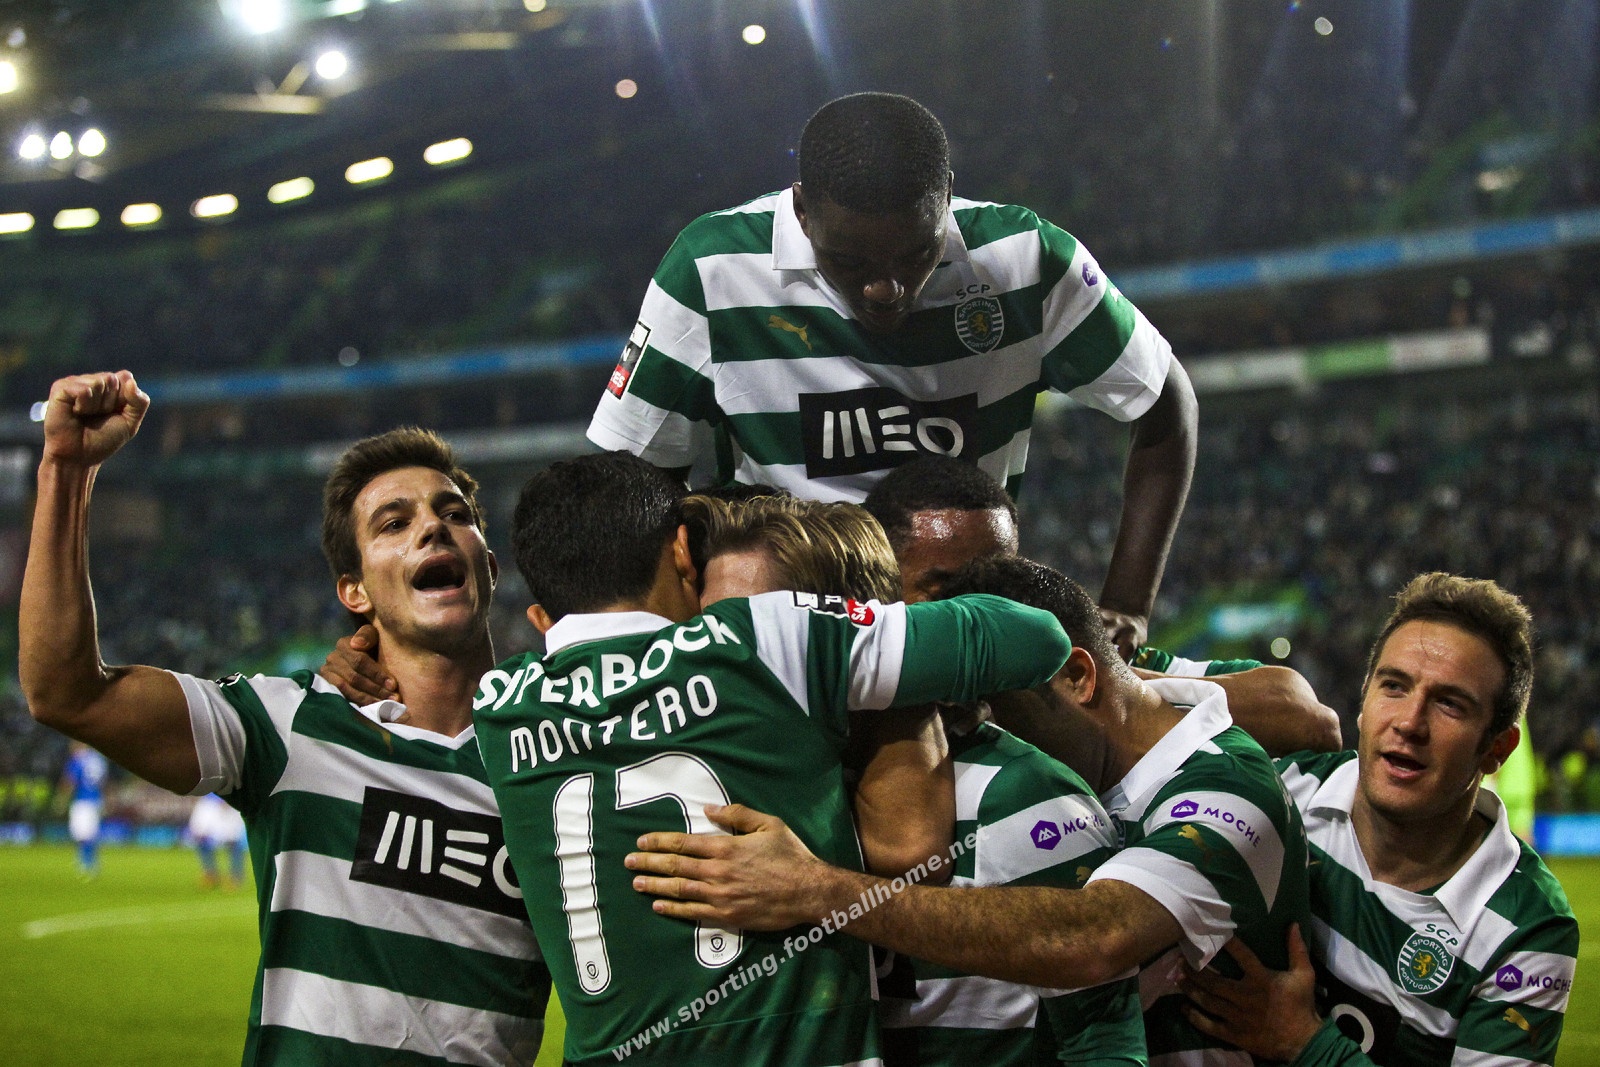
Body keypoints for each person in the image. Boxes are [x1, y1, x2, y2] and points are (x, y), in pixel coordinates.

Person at [471, 452, 1075, 1065]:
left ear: (540, 614)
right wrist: (885, 649)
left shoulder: (498, 704)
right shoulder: (757, 637)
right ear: (682, 552)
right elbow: (1037, 638)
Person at [20, 371, 550, 1066]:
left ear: (489, 563)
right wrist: (66, 470)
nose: (431, 525)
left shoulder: (557, 757)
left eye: (453, 513)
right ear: (354, 591)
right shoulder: (286, 724)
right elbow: (66, 692)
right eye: (394, 523)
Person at [628, 555, 1310, 1066]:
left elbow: (1095, 937)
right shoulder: (1112, 720)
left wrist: (815, 890)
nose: (974, 724)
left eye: (992, 702)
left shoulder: (1225, 793)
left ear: (1077, 677)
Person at [587, 91, 1198, 658]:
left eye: (916, 254)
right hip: (786, 639)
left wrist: (1127, 605)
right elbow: (633, 481)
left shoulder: (1026, 260)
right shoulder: (712, 268)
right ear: (801, 210)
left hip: (964, 630)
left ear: (947, 197)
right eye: (849, 262)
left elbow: (1166, 403)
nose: (886, 288)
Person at [1177, 573, 1579, 1067]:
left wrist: (1304, 1043)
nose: (1409, 722)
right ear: (1363, 702)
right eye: (1394, 687)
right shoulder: (1280, 790)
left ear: (1498, 748)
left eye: (1449, 704)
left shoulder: (1526, 924)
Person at [863, 455, 1342, 781]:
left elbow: (1309, 721)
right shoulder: (847, 696)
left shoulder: (1064, 656)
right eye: (946, 589)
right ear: (881, 581)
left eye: (996, 582)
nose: (981, 608)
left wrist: (1094, 678)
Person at [60, 741, 108, 878]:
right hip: (96, 800)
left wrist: (62, 800)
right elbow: (103, 781)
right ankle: (90, 862)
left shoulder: (78, 760)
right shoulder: (98, 759)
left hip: (82, 801)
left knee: (82, 834)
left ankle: (86, 863)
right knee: (90, 834)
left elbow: (70, 781)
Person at [188, 792, 248, 889]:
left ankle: (235, 876)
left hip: (229, 805)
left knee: (233, 843)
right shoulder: (206, 802)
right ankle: (211, 874)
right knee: (202, 841)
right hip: (210, 804)